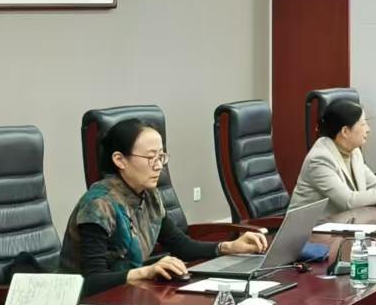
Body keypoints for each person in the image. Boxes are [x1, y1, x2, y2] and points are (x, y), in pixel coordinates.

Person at [61, 120, 266, 295]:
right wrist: (147, 271)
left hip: (127, 295)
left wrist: (229, 247)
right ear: (120, 160)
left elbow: (180, 245)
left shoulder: (149, 194)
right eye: (150, 158)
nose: (159, 166)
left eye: (161, 156)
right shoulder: (98, 205)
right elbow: (91, 281)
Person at [290, 99, 376, 211]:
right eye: (363, 124)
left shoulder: (354, 151)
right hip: (311, 229)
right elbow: (348, 201)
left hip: (342, 225)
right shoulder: (320, 159)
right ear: (345, 131)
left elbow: (375, 184)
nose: (368, 129)